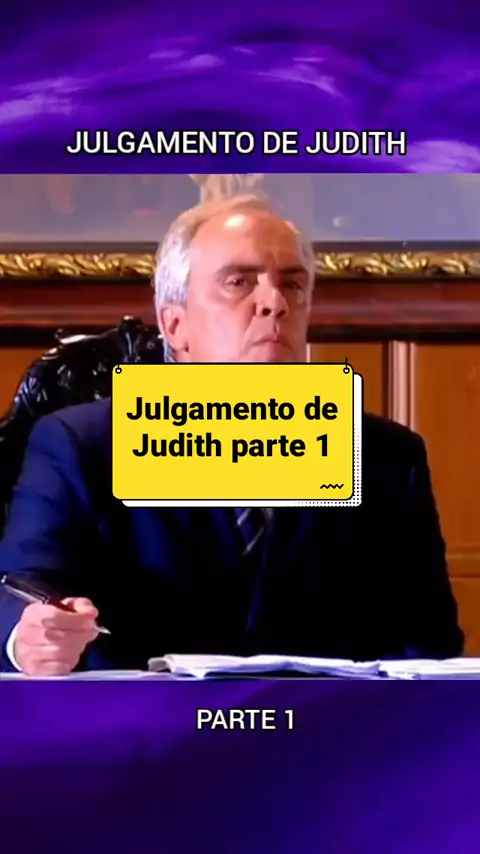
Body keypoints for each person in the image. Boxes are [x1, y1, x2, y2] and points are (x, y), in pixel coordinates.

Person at [0, 195, 463, 675]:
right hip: (145, 719)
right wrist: (29, 635)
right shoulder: (81, 445)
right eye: (239, 281)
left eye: (292, 284)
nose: (275, 303)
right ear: (175, 325)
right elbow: (19, 589)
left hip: (327, 718)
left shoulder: (386, 457)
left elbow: (428, 646)